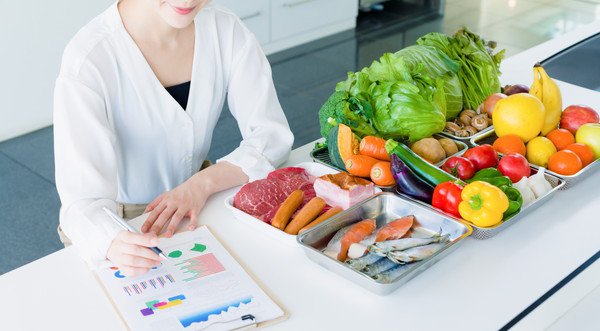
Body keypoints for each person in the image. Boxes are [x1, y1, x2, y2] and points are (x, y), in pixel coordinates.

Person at [53, 0, 293, 277]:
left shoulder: (225, 30)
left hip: (199, 203)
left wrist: (201, 183)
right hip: (121, 223)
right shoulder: (89, 59)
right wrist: (111, 240)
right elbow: (82, 201)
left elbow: (271, 136)